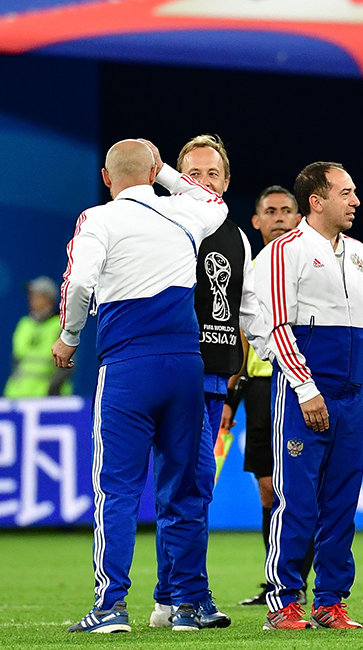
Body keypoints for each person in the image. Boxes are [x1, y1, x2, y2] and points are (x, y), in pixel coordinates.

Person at [56, 139, 227, 632]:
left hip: (129, 367)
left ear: (107, 179)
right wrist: (165, 174)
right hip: (186, 365)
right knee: (185, 486)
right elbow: (214, 202)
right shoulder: (185, 213)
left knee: (118, 489)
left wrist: (69, 337)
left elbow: (79, 283)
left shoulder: (99, 218)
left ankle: (110, 606)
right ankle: (191, 604)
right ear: (155, 170)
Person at [254, 161, 363, 631]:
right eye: (346, 192)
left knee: (342, 502)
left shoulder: (360, 253)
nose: (356, 201)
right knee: (298, 501)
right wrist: (305, 388)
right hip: (304, 395)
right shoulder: (283, 253)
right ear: (317, 201)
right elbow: (275, 327)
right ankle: (283, 602)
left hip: (351, 396)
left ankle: (330, 601)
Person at [149, 135, 269, 630]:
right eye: (192, 174)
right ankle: (187, 600)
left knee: (181, 487)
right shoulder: (157, 227)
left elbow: (248, 314)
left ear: (226, 182)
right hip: (168, 373)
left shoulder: (237, 238)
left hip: (215, 379)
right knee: (191, 487)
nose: (202, 183)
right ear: (176, 179)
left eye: (212, 175)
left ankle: (165, 597)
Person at [226, 185, 312, 608]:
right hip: (260, 387)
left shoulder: (306, 260)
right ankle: (277, 582)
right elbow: (241, 336)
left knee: (297, 487)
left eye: (286, 210)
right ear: (256, 220)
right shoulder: (247, 267)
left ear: (298, 218)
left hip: (299, 382)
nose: (279, 217)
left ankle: (298, 582)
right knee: (267, 490)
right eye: (270, 211)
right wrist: (232, 395)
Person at [4, 276, 73, 398]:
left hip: (47, 397)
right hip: (17, 395)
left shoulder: (59, 326)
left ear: (49, 299)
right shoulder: (24, 324)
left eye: (38, 296)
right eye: (31, 295)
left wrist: (53, 390)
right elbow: (16, 361)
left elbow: (66, 365)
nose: (32, 299)